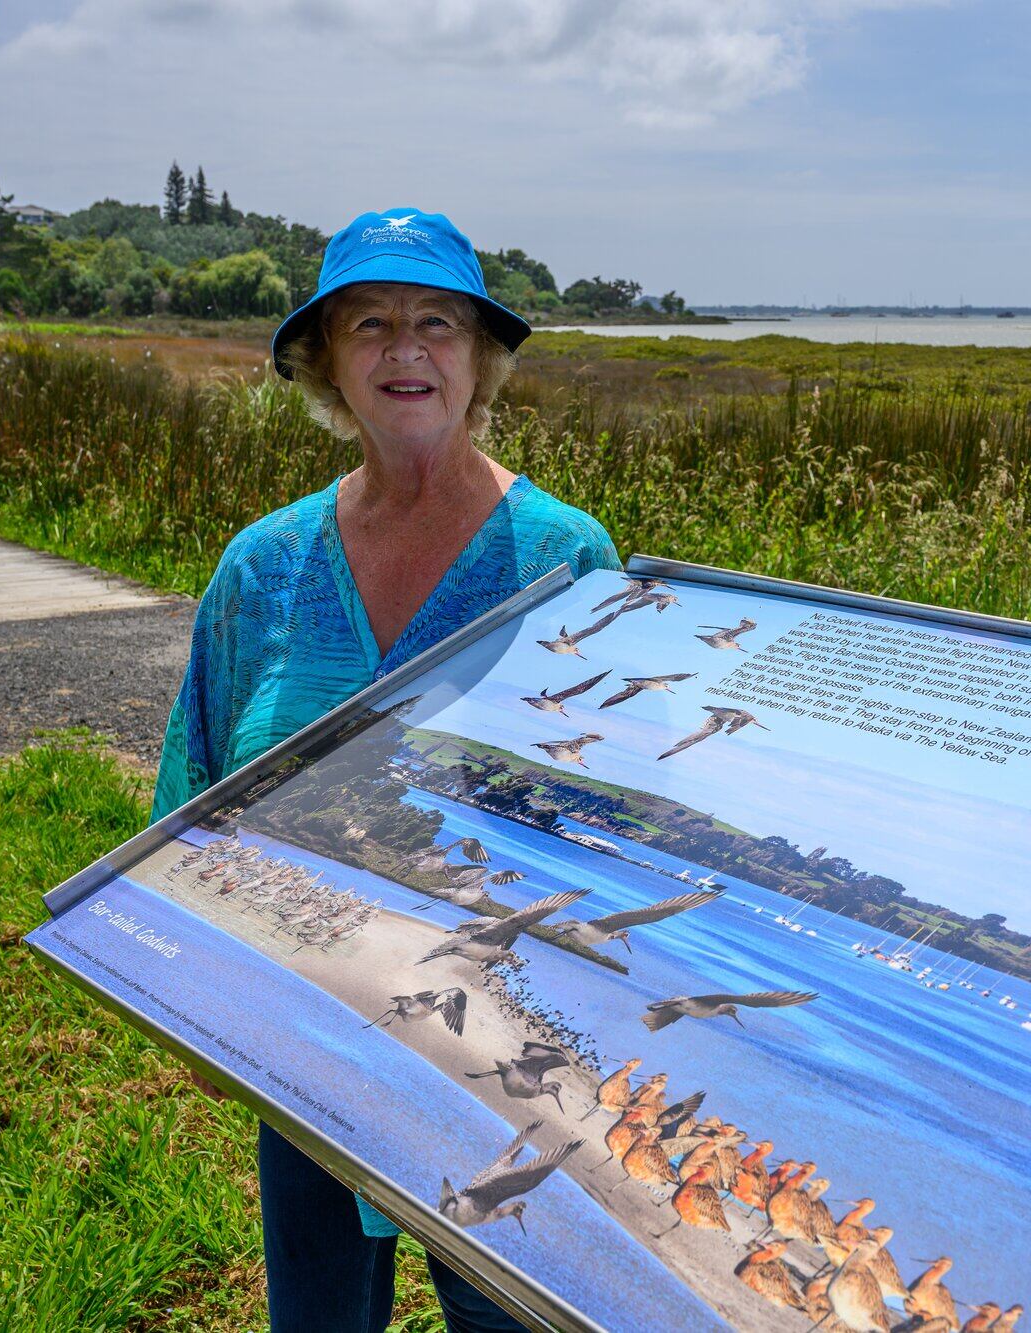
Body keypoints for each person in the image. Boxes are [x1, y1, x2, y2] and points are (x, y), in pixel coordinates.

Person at [150, 208, 619, 1332]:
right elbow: (192, 798)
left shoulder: (565, 559)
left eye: (436, 324)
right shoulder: (263, 566)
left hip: (502, 1050)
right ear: (326, 361)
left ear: (479, 359)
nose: (404, 350)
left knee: (511, 1310)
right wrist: (197, 995)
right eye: (369, 323)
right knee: (317, 1317)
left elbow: (604, 822)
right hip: (306, 1029)